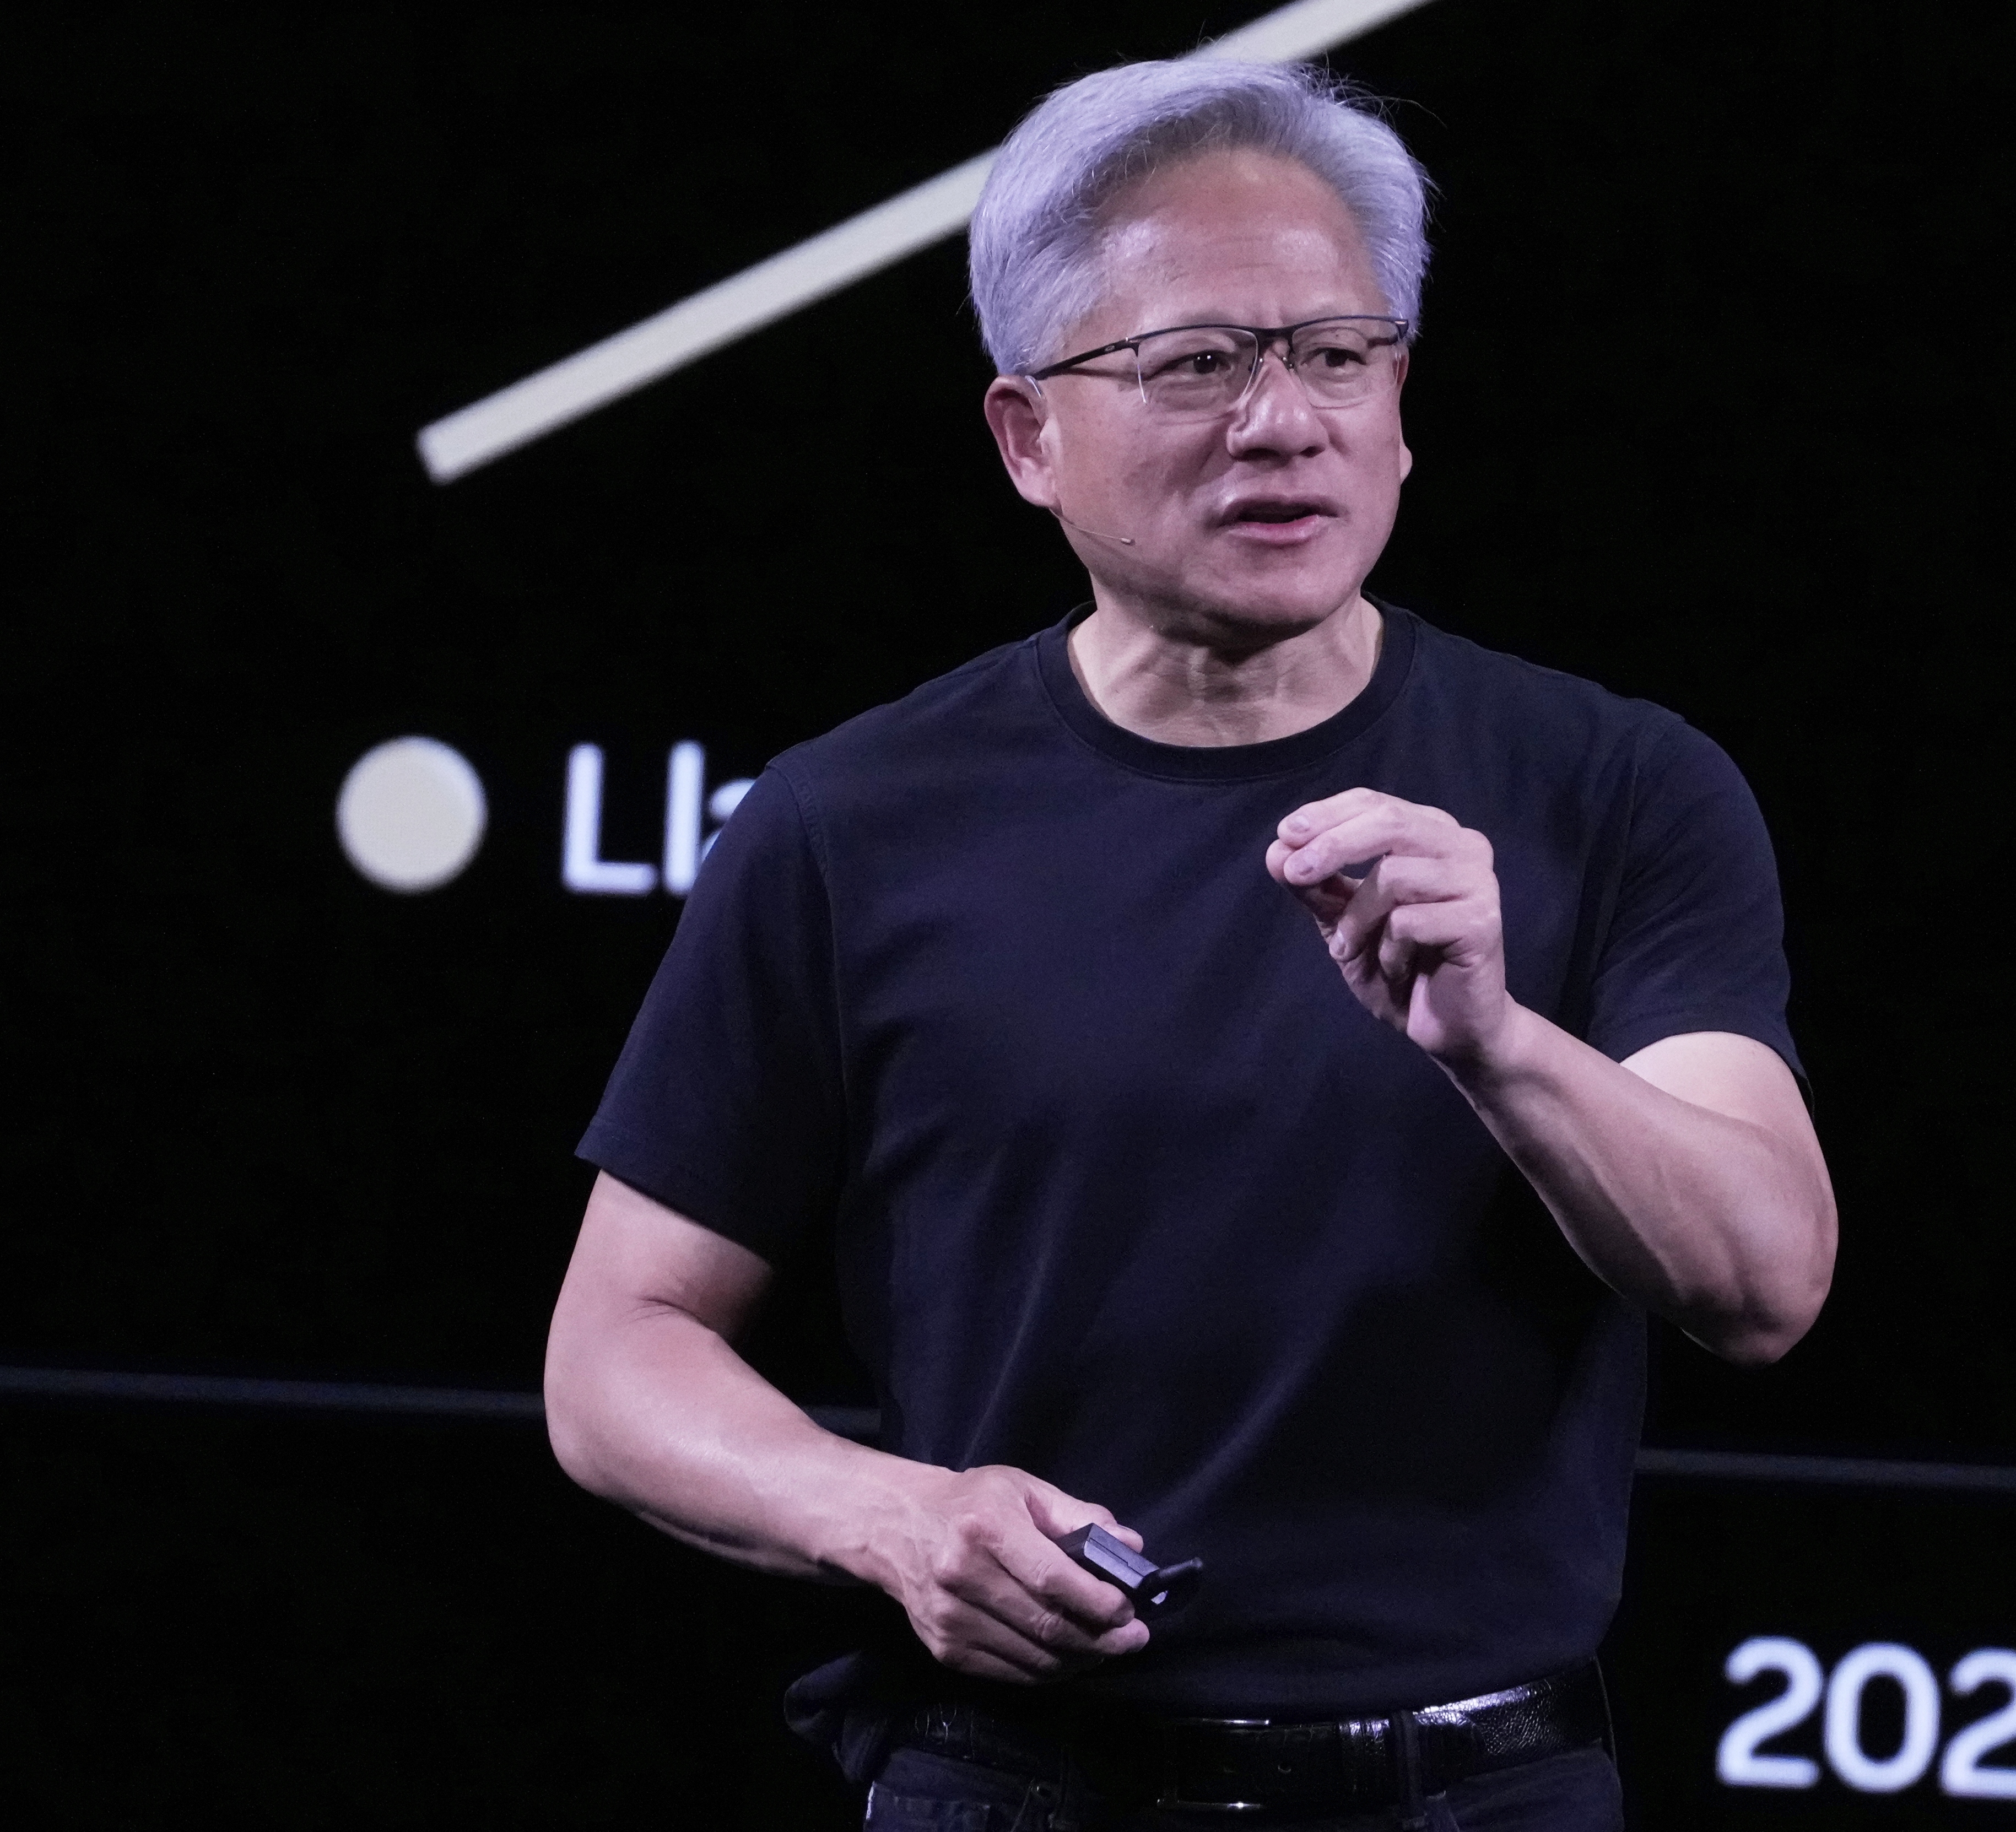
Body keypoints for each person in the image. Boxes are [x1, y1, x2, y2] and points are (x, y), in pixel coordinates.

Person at [544, 56, 1835, 1831]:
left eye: (1336, 352)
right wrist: (891, 1514)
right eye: (1195, 362)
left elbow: (1760, 1281)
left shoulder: (1613, 784)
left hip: (1481, 1789)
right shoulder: (851, 824)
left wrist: (1497, 1043)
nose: (1282, 419)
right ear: (1027, 436)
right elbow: (616, 1350)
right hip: (1017, 1781)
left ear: (1398, 399)